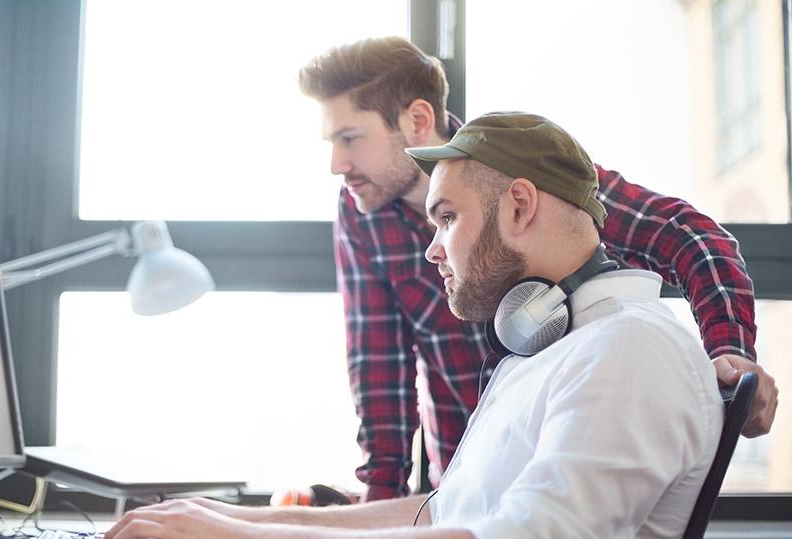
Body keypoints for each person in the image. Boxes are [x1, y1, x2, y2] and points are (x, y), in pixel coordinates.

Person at [104, 113, 725, 539]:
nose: (432, 252)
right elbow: (440, 514)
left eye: (447, 218)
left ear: (518, 205)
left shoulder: (628, 348)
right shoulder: (554, 349)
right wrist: (235, 521)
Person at [296, 36, 777, 500]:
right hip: (465, 483)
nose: (337, 164)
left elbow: (693, 240)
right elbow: (378, 367)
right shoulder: (361, 214)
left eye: (350, 138)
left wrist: (731, 359)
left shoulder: (518, 171)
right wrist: (383, 505)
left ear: (418, 118)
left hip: (570, 461)